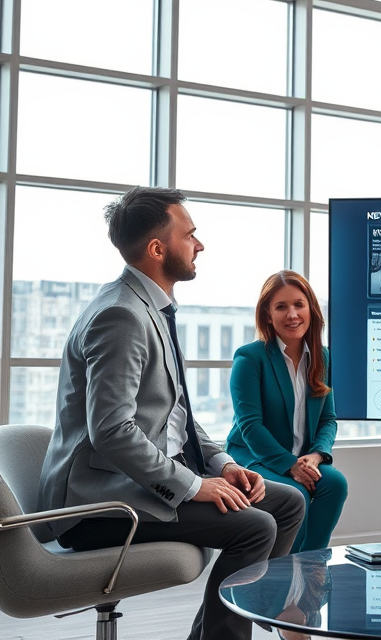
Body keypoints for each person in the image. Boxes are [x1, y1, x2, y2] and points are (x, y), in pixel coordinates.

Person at [37, 186, 305, 640]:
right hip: (96, 506)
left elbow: (174, 413)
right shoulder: (121, 315)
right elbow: (112, 431)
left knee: (288, 502)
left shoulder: (151, 308)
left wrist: (224, 464)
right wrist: (195, 486)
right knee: (256, 527)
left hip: (129, 483)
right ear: (157, 248)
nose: (200, 245)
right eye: (191, 234)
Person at [225, 271, 348, 553]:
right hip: (255, 458)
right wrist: (290, 465)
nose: (292, 314)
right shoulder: (249, 358)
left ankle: (312, 565)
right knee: (297, 494)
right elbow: (250, 426)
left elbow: (328, 419)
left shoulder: (323, 357)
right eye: (281, 307)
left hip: (303, 458)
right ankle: (286, 575)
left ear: (311, 309)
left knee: (335, 484)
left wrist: (316, 457)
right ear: (268, 315)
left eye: (298, 304)